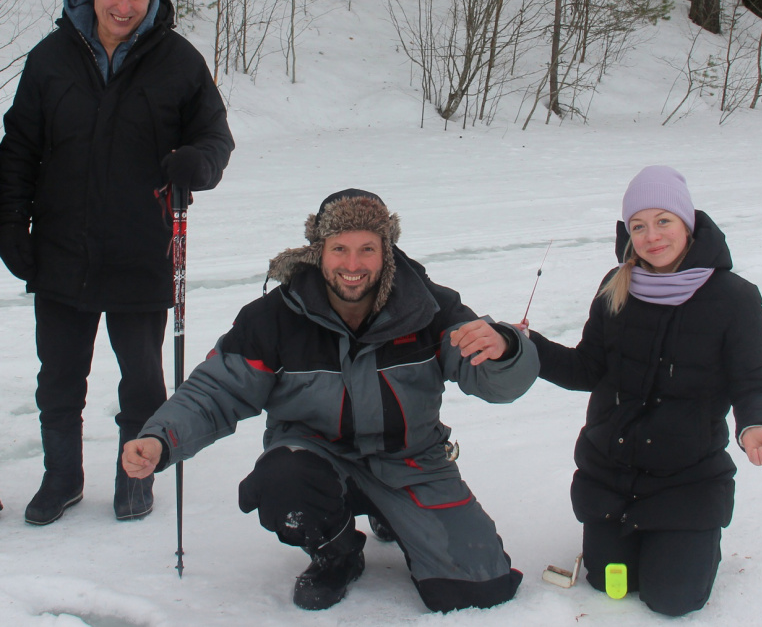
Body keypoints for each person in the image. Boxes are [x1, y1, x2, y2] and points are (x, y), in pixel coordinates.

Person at [121, 189, 539, 613]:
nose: (353, 265)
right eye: (339, 248)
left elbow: (496, 382)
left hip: (411, 464)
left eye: (367, 249)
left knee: (482, 590)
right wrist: (161, 438)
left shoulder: (429, 307)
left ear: (387, 252)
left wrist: (506, 349)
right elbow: (217, 391)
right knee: (282, 478)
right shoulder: (275, 316)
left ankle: (394, 514)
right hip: (314, 459)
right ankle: (336, 552)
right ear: (319, 251)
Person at [0, 0, 234, 526]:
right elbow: (18, 149)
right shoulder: (51, 58)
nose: (124, 6)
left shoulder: (178, 61)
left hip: (142, 248)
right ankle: (62, 478)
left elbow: (214, 137)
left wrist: (197, 164)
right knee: (58, 376)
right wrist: (10, 222)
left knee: (142, 377)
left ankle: (137, 476)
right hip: (60, 248)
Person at [519, 165, 762, 617]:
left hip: (687, 478)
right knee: (608, 582)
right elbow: (588, 369)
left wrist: (757, 425)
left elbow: (753, 378)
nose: (651, 236)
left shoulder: (734, 298)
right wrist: (526, 347)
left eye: (663, 220)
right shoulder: (616, 284)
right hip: (612, 471)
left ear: (687, 223)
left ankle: (692, 542)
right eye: (638, 225)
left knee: (672, 600)